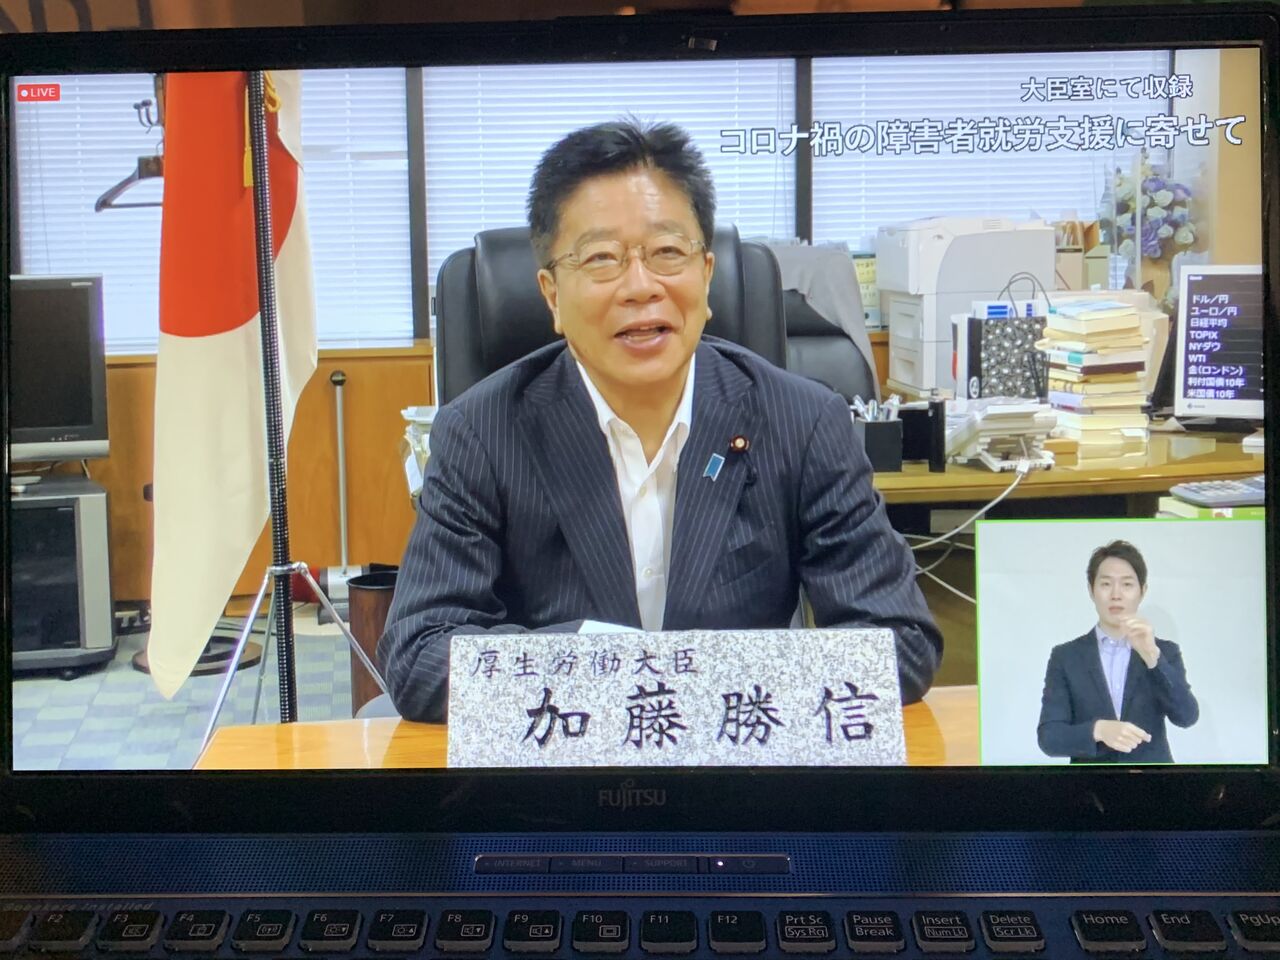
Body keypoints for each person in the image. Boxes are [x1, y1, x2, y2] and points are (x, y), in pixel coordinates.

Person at [379, 119, 942, 723]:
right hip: (563, 765)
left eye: (668, 253)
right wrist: (618, 669)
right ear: (552, 295)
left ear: (706, 275)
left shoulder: (803, 422)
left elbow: (898, 643)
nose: (640, 286)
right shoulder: (482, 432)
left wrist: (690, 682)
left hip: (734, 760)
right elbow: (419, 656)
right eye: (601, 259)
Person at [1037, 540, 1198, 763]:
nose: (1116, 594)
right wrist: (1098, 730)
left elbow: (1187, 717)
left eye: (1127, 584)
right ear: (1091, 590)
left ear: (1142, 591)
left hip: (1153, 780)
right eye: (1106, 584)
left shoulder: (1164, 652)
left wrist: (1153, 658)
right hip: (1090, 782)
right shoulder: (1066, 657)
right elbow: (1049, 737)